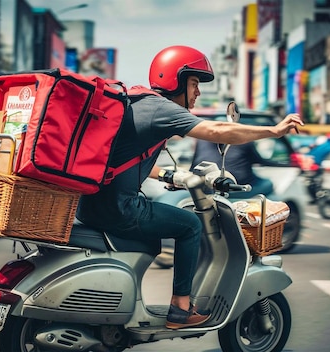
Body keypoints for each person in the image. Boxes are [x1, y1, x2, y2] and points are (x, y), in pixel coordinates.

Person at [75, 45, 303, 329]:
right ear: (176, 80)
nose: (197, 92)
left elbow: (129, 163)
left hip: (92, 206)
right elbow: (218, 131)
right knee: (189, 225)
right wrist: (273, 130)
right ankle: (180, 310)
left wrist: (171, 176)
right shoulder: (161, 108)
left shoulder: (137, 102)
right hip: (119, 209)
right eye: (194, 83)